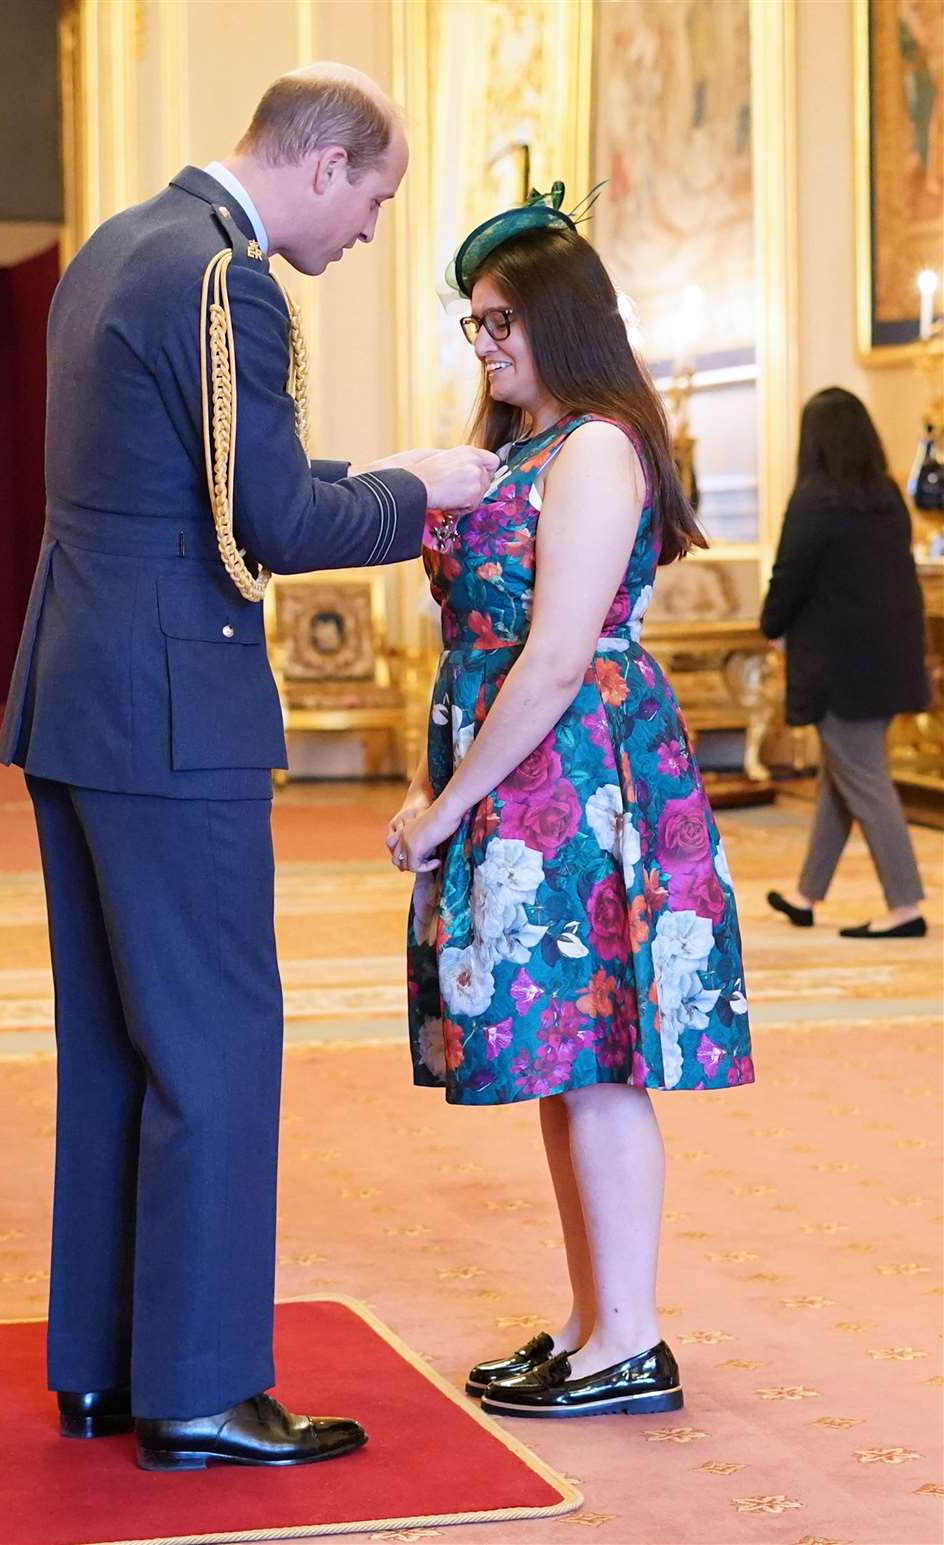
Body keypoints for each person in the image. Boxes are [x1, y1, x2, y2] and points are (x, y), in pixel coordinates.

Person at [0, 63, 498, 1472]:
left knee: (116, 1044)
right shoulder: (231, 283)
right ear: (325, 164)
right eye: (378, 200)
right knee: (216, 1043)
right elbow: (269, 517)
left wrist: (372, 463)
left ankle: (103, 1369)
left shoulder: (117, 247)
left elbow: (195, 478)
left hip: (78, 695)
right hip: (173, 709)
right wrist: (425, 493)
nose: (370, 234)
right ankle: (206, 1389)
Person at [388, 186, 753, 1420]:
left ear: (566, 321)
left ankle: (632, 1341)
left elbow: (552, 657)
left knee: (598, 1062)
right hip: (527, 765)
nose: (485, 345)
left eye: (504, 321)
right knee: (564, 1059)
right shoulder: (519, 446)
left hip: (580, 775)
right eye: (474, 324)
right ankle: (596, 1323)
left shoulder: (596, 443)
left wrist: (446, 803)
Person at [761, 388, 929, 939]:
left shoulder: (815, 497)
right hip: (889, 657)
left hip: (839, 665)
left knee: (865, 779)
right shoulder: (884, 495)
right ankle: (807, 895)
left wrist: (769, 625)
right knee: (843, 776)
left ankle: (905, 906)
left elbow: (790, 575)